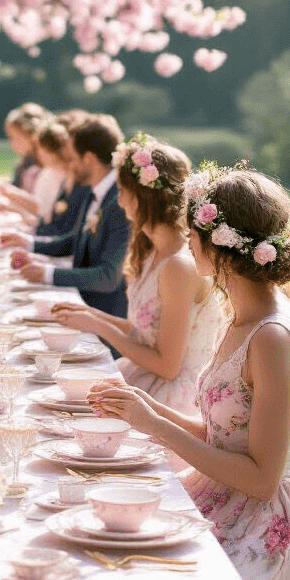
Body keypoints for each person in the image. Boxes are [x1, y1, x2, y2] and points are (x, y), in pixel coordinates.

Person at [90, 166, 290, 580]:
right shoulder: (242, 315)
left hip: (263, 525)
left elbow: (260, 479)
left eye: (193, 231)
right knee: (110, 542)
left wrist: (155, 424)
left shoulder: (271, 337)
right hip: (222, 497)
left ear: (220, 243)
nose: (187, 239)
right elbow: (226, 436)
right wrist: (148, 408)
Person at [52, 135, 225, 413]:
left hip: (171, 400)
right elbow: (144, 333)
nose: (119, 202)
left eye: (121, 191)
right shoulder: (152, 253)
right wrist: (90, 315)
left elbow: (168, 367)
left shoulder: (179, 267)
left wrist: (99, 326)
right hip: (144, 379)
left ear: (143, 197)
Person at [3, 114, 130, 318]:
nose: (68, 165)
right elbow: (76, 239)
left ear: (88, 158)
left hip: (108, 315)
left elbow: (108, 277)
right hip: (82, 304)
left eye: (71, 158)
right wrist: (29, 243)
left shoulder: (120, 201)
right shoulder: (95, 190)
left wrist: (47, 274)